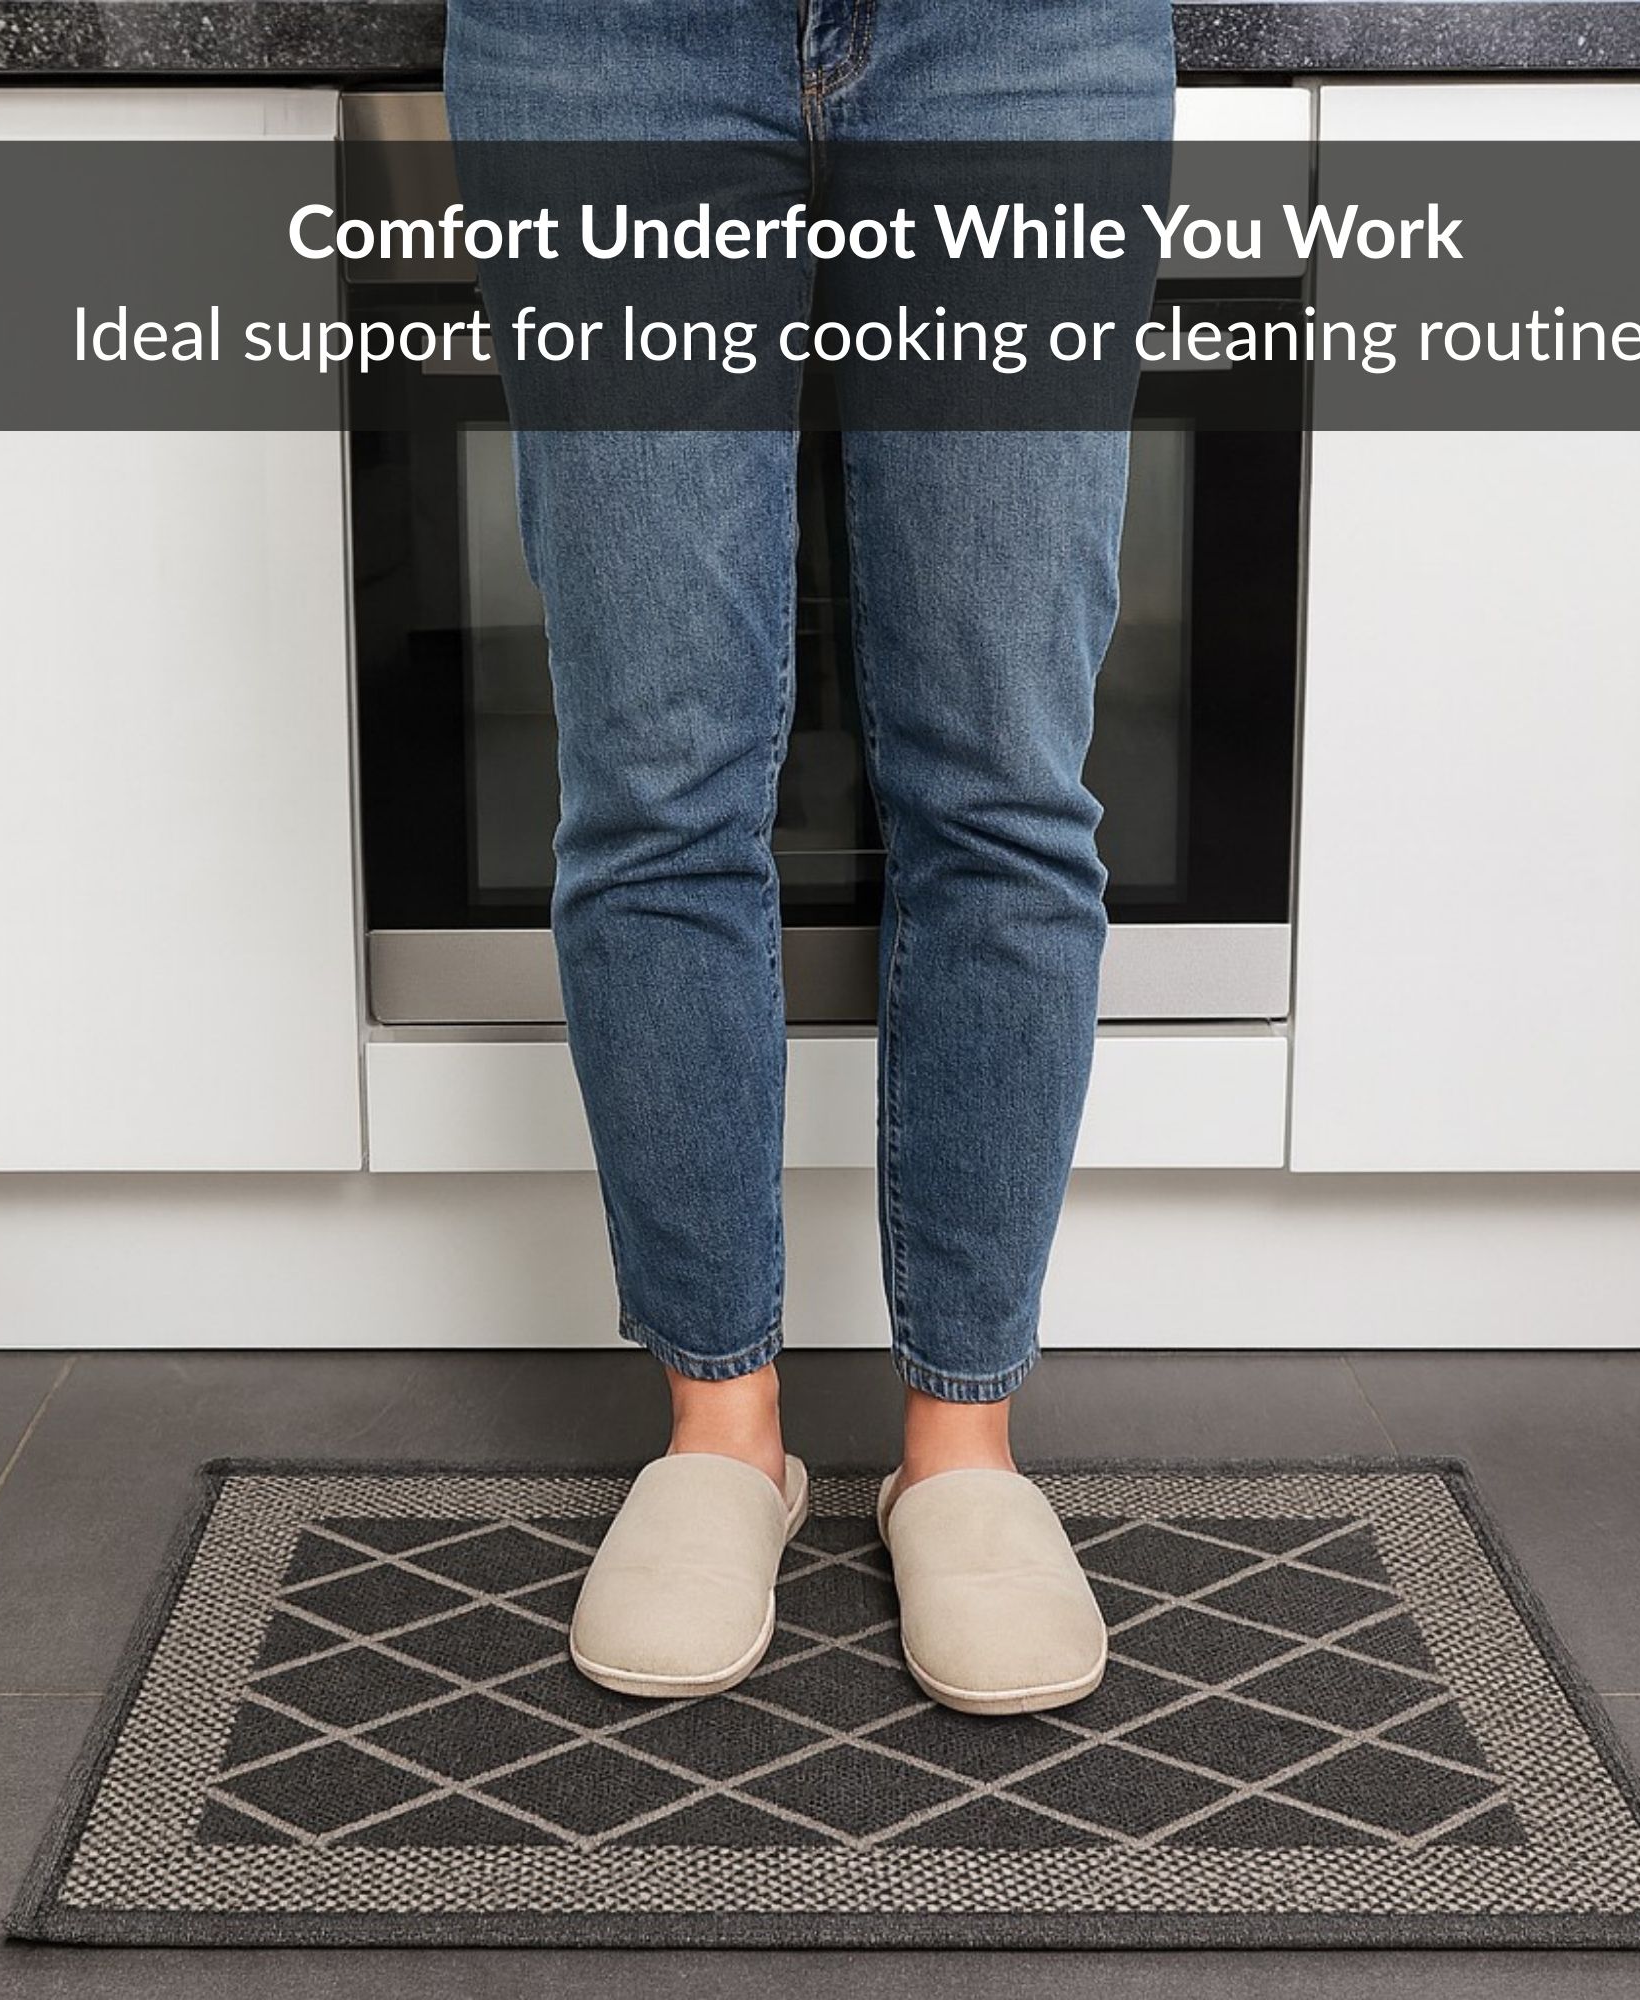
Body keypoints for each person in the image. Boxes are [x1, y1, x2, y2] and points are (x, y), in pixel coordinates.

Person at [443, 0, 1176, 1717]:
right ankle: (721, 1433)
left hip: (1023, 37)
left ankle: (964, 1448)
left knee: (1001, 777)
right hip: (603, 43)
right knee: (656, 777)